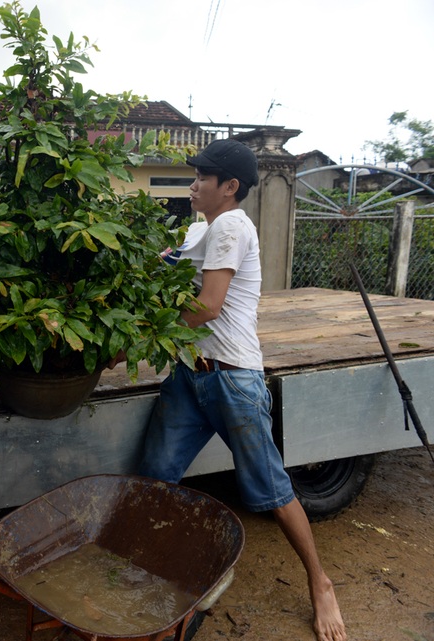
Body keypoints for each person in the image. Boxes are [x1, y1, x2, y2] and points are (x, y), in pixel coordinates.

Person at [135, 140, 347, 641]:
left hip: (232, 379)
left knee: (272, 490)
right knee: (153, 478)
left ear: (229, 187)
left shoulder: (232, 225)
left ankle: (321, 583)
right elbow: (166, 274)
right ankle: (149, 572)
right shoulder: (199, 229)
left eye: (202, 178)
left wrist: (137, 340)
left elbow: (208, 305)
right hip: (189, 374)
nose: (192, 185)